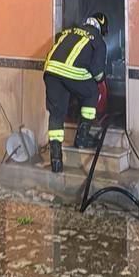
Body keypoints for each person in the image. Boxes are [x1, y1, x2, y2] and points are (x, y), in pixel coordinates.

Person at [43, 13, 108, 173]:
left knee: (56, 113)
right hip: (71, 72)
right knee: (91, 92)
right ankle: (82, 137)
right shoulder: (97, 39)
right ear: (101, 28)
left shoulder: (68, 31)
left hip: (51, 71)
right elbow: (97, 72)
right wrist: (102, 80)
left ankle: (56, 161)